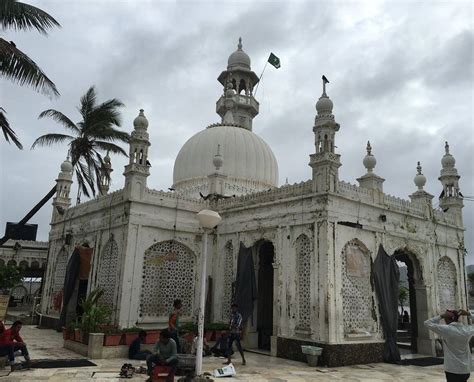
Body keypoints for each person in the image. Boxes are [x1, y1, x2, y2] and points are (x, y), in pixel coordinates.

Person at [424, 309, 474, 382]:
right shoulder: (467, 330)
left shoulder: (446, 329)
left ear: (447, 319)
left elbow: (427, 323)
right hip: (465, 369)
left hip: (452, 369)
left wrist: (441, 316)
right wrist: (468, 314)